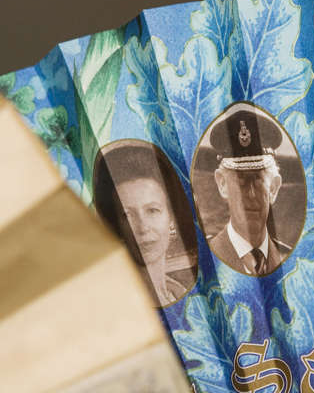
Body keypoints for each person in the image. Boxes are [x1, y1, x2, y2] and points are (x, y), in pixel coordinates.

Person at [93, 140, 197, 306]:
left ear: (170, 217)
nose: (143, 227)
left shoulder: (179, 291)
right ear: (116, 225)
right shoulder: (115, 301)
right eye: (128, 215)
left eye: (152, 211)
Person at [206, 103, 291, 276]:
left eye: (258, 181)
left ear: (273, 188)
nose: (251, 195)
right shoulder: (206, 259)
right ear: (222, 184)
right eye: (241, 182)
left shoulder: (290, 259)